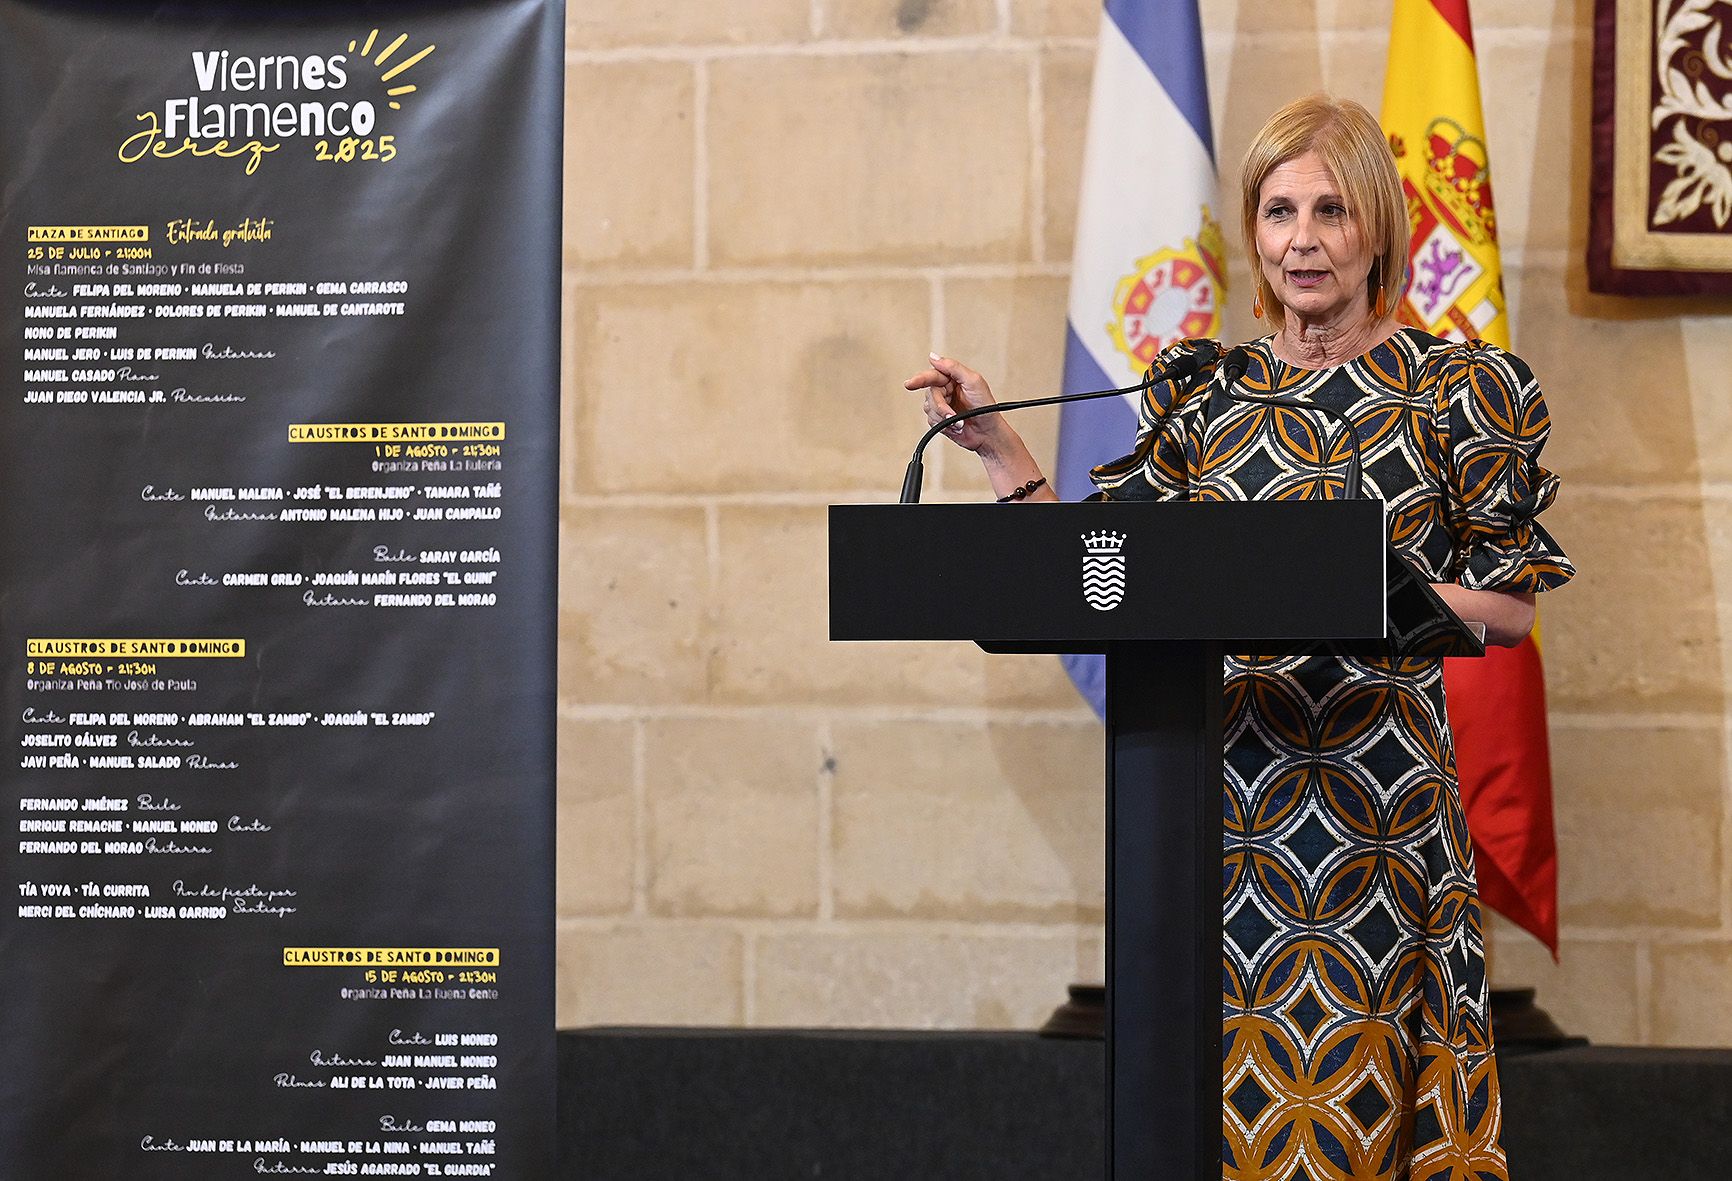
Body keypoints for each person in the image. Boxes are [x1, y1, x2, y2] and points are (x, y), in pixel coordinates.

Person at [905, 94, 1573, 1179]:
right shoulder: (1207, 395)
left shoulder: (1464, 392)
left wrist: (1350, 589)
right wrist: (996, 450)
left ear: (1377, 231)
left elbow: (1507, 603)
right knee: (1209, 1121)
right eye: (1276, 212)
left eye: (1329, 210)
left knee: (1348, 1118)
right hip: (1218, 824)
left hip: (1370, 825)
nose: (1301, 238)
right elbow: (1098, 571)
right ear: (1252, 234)